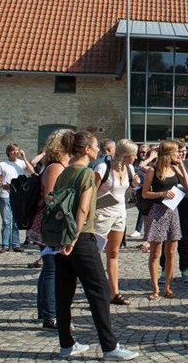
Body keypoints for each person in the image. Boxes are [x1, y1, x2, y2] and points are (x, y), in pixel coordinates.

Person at [53, 131, 138, 360]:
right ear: (87, 150)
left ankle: (66, 344)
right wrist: (73, 238)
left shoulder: (64, 172)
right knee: (100, 291)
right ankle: (110, 347)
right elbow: (81, 209)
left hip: (60, 239)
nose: (99, 151)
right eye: (95, 147)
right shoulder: (87, 174)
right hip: (80, 238)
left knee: (64, 292)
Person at [28, 130, 70, 330]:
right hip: (50, 224)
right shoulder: (55, 167)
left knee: (48, 268)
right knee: (52, 269)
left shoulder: (56, 166)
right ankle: (50, 316)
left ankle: (43, 310)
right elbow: (51, 199)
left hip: (51, 223)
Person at [142, 140, 188, 299]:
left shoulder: (175, 168)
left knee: (170, 252)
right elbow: (145, 194)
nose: (179, 154)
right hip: (157, 212)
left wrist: (181, 165)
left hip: (172, 212)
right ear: (168, 153)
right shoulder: (152, 170)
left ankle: (168, 288)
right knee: (155, 253)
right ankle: (155, 289)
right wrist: (161, 194)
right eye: (176, 151)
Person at [94, 139, 140, 306]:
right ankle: (97, 290)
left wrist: (133, 185)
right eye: (133, 154)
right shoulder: (102, 168)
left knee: (113, 253)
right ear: (125, 155)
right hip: (101, 214)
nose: (136, 157)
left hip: (120, 214)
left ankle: (114, 293)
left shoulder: (129, 168)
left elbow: (122, 191)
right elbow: (91, 192)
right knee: (96, 254)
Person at [160, 139, 188, 283]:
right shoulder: (164, 167)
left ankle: (185, 269)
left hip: (185, 205)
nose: (180, 154)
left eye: (182, 151)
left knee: (184, 240)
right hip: (169, 206)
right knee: (166, 240)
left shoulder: (187, 164)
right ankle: (164, 270)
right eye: (178, 151)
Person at [0, 143, 34, 253]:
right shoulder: (2, 164)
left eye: (17, 150)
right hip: (5, 195)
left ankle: (16, 244)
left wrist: (25, 158)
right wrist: (3, 185)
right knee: (6, 221)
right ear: (9, 152)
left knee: (16, 221)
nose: (15, 152)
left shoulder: (21, 163)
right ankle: (5, 244)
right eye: (13, 150)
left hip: (19, 196)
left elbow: (32, 171)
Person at [129, 143, 158, 238]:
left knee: (149, 215)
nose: (141, 154)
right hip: (140, 190)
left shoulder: (151, 162)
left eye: (144, 152)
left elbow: (143, 167)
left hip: (150, 191)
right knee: (143, 213)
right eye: (140, 152)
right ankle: (144, 235)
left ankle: (148, 237)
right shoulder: (140, 162)